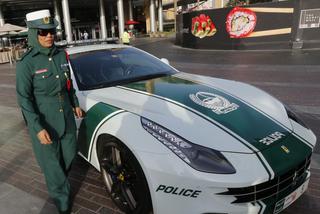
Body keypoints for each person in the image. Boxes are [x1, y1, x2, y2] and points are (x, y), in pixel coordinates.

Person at [15, 9, 83, 214]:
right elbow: (24, 98)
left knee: (69, 156)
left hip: (67, 118)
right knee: (52, 165)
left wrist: (75, 103)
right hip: (45, 121)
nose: (49, 35)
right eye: (43, 32)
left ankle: (58, 183)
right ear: (33, 34)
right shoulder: (27, 62)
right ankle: (61, 201)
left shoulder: (61, 54)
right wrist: (36, 127)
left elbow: (68, 85)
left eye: (51, 30)